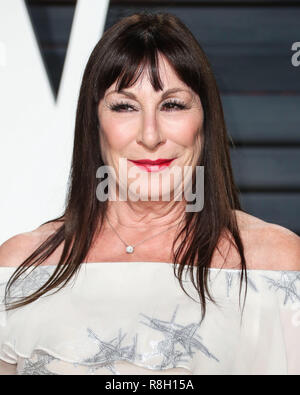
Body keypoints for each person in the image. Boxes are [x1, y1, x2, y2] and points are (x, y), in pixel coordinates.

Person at [0, 12, 299, 375]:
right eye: (125, 107)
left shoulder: (276, 265)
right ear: (95, 124)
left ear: (204, 121)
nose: (151, 135)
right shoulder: (18, 268)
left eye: (172, 105)